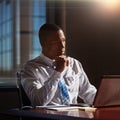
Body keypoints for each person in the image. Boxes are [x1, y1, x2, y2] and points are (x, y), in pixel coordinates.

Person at [21, 23, 96, 107]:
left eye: (63, 40)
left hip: (74, 115)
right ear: (43, 43)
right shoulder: (31, 68)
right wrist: (57, 72)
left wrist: (106, 100)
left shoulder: (74, 64)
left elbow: (88, 92)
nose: (62, 46)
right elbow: (38, 101)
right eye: (56, 42)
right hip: (48, 116)